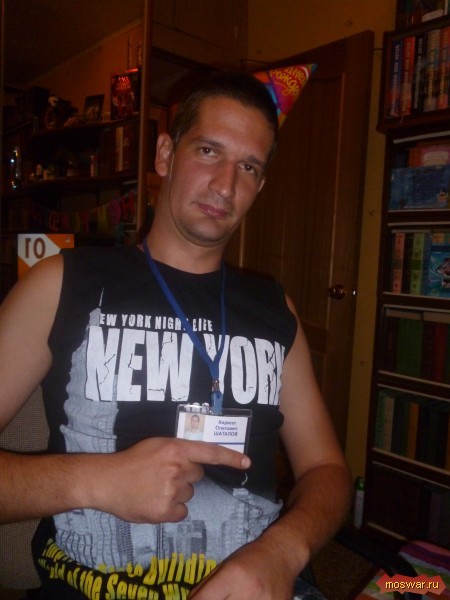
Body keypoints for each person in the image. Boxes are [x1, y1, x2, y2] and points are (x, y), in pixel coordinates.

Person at [0, 71, 352, 599]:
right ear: (166, 155)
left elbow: (326, 468)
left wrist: (284, 551)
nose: (226, 185)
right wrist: (95, 481)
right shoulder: (62, 283)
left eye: (249, 167)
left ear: (260, 186)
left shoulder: (275, 309)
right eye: (209, 151)